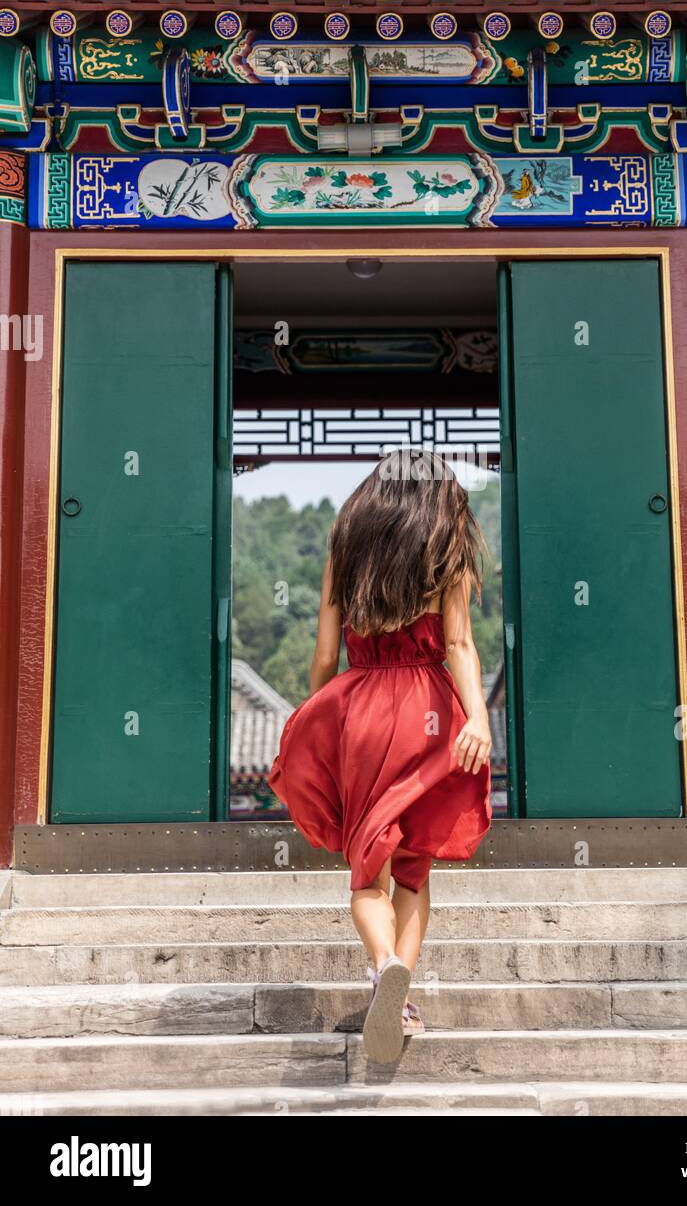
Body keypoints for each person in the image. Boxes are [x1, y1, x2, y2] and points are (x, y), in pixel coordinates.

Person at [268, 448, 493, 1063]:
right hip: (429, 714)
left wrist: (314, 722)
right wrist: (477, 717)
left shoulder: (346, 546)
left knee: (367, 868)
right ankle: (404, 998)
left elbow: (322, 656)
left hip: (363, 712)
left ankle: (383, 964)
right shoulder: (443, 551)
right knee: (415, 870)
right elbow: (459, 645)